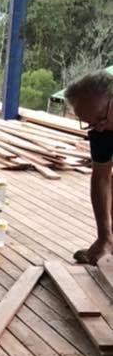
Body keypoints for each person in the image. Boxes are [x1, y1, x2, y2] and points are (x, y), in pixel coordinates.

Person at [63, 71, 113, 264]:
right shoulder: (101, 130)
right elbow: (101, 178)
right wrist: (104, 236)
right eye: (90, 123)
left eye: (100, 118)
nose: (98, 127)